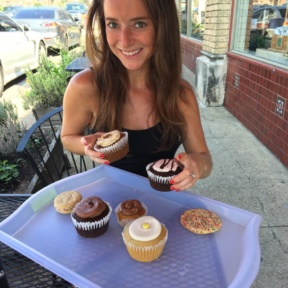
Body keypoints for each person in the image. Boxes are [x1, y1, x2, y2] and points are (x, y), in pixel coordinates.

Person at [61, 0, 212, 191]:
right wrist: (86, 147)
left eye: (139, 24)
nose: (124, 41)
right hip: (111, 204)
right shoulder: (86, 86)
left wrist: (197, 165)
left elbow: (204, 159)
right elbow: (67, 137)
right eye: (113, 24)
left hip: (164, 203)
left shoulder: (180, 94)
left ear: (163, 26)